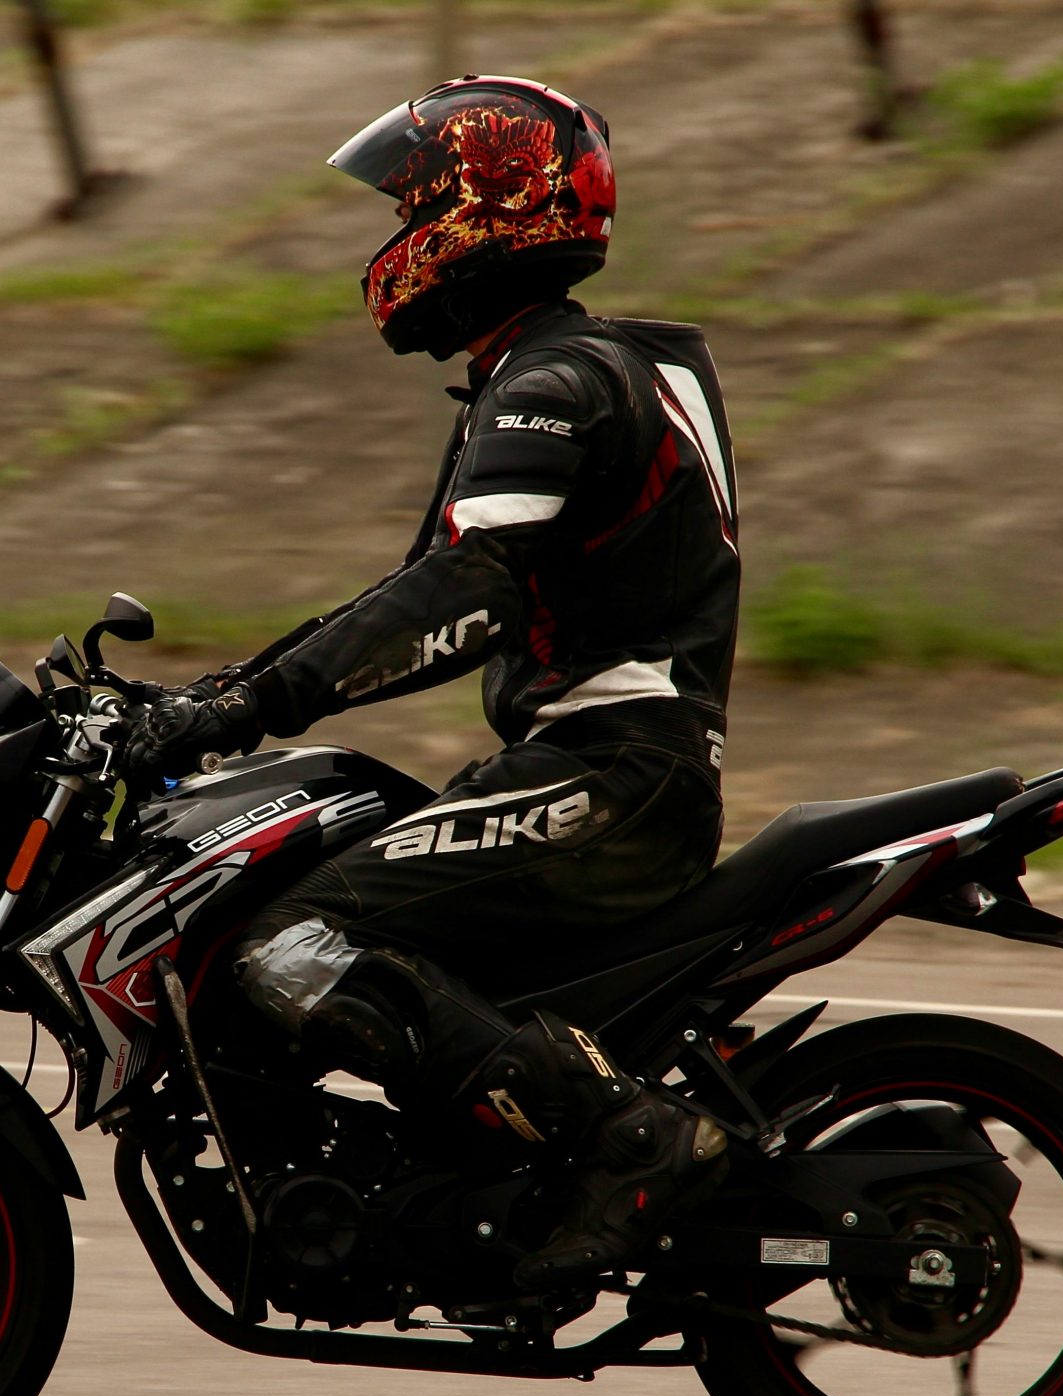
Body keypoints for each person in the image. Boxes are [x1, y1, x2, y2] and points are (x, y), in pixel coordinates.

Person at [122, 77, 742, 1291]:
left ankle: (631, 1140)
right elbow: (413, 595)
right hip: (607, 765)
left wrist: (245, 710)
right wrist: (226, 688)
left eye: (411, 209)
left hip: (609, 775)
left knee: (294, 937)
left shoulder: (555, 389)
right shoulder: (574, 371)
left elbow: (468, 594)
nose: (393, 244)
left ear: (488, 208)